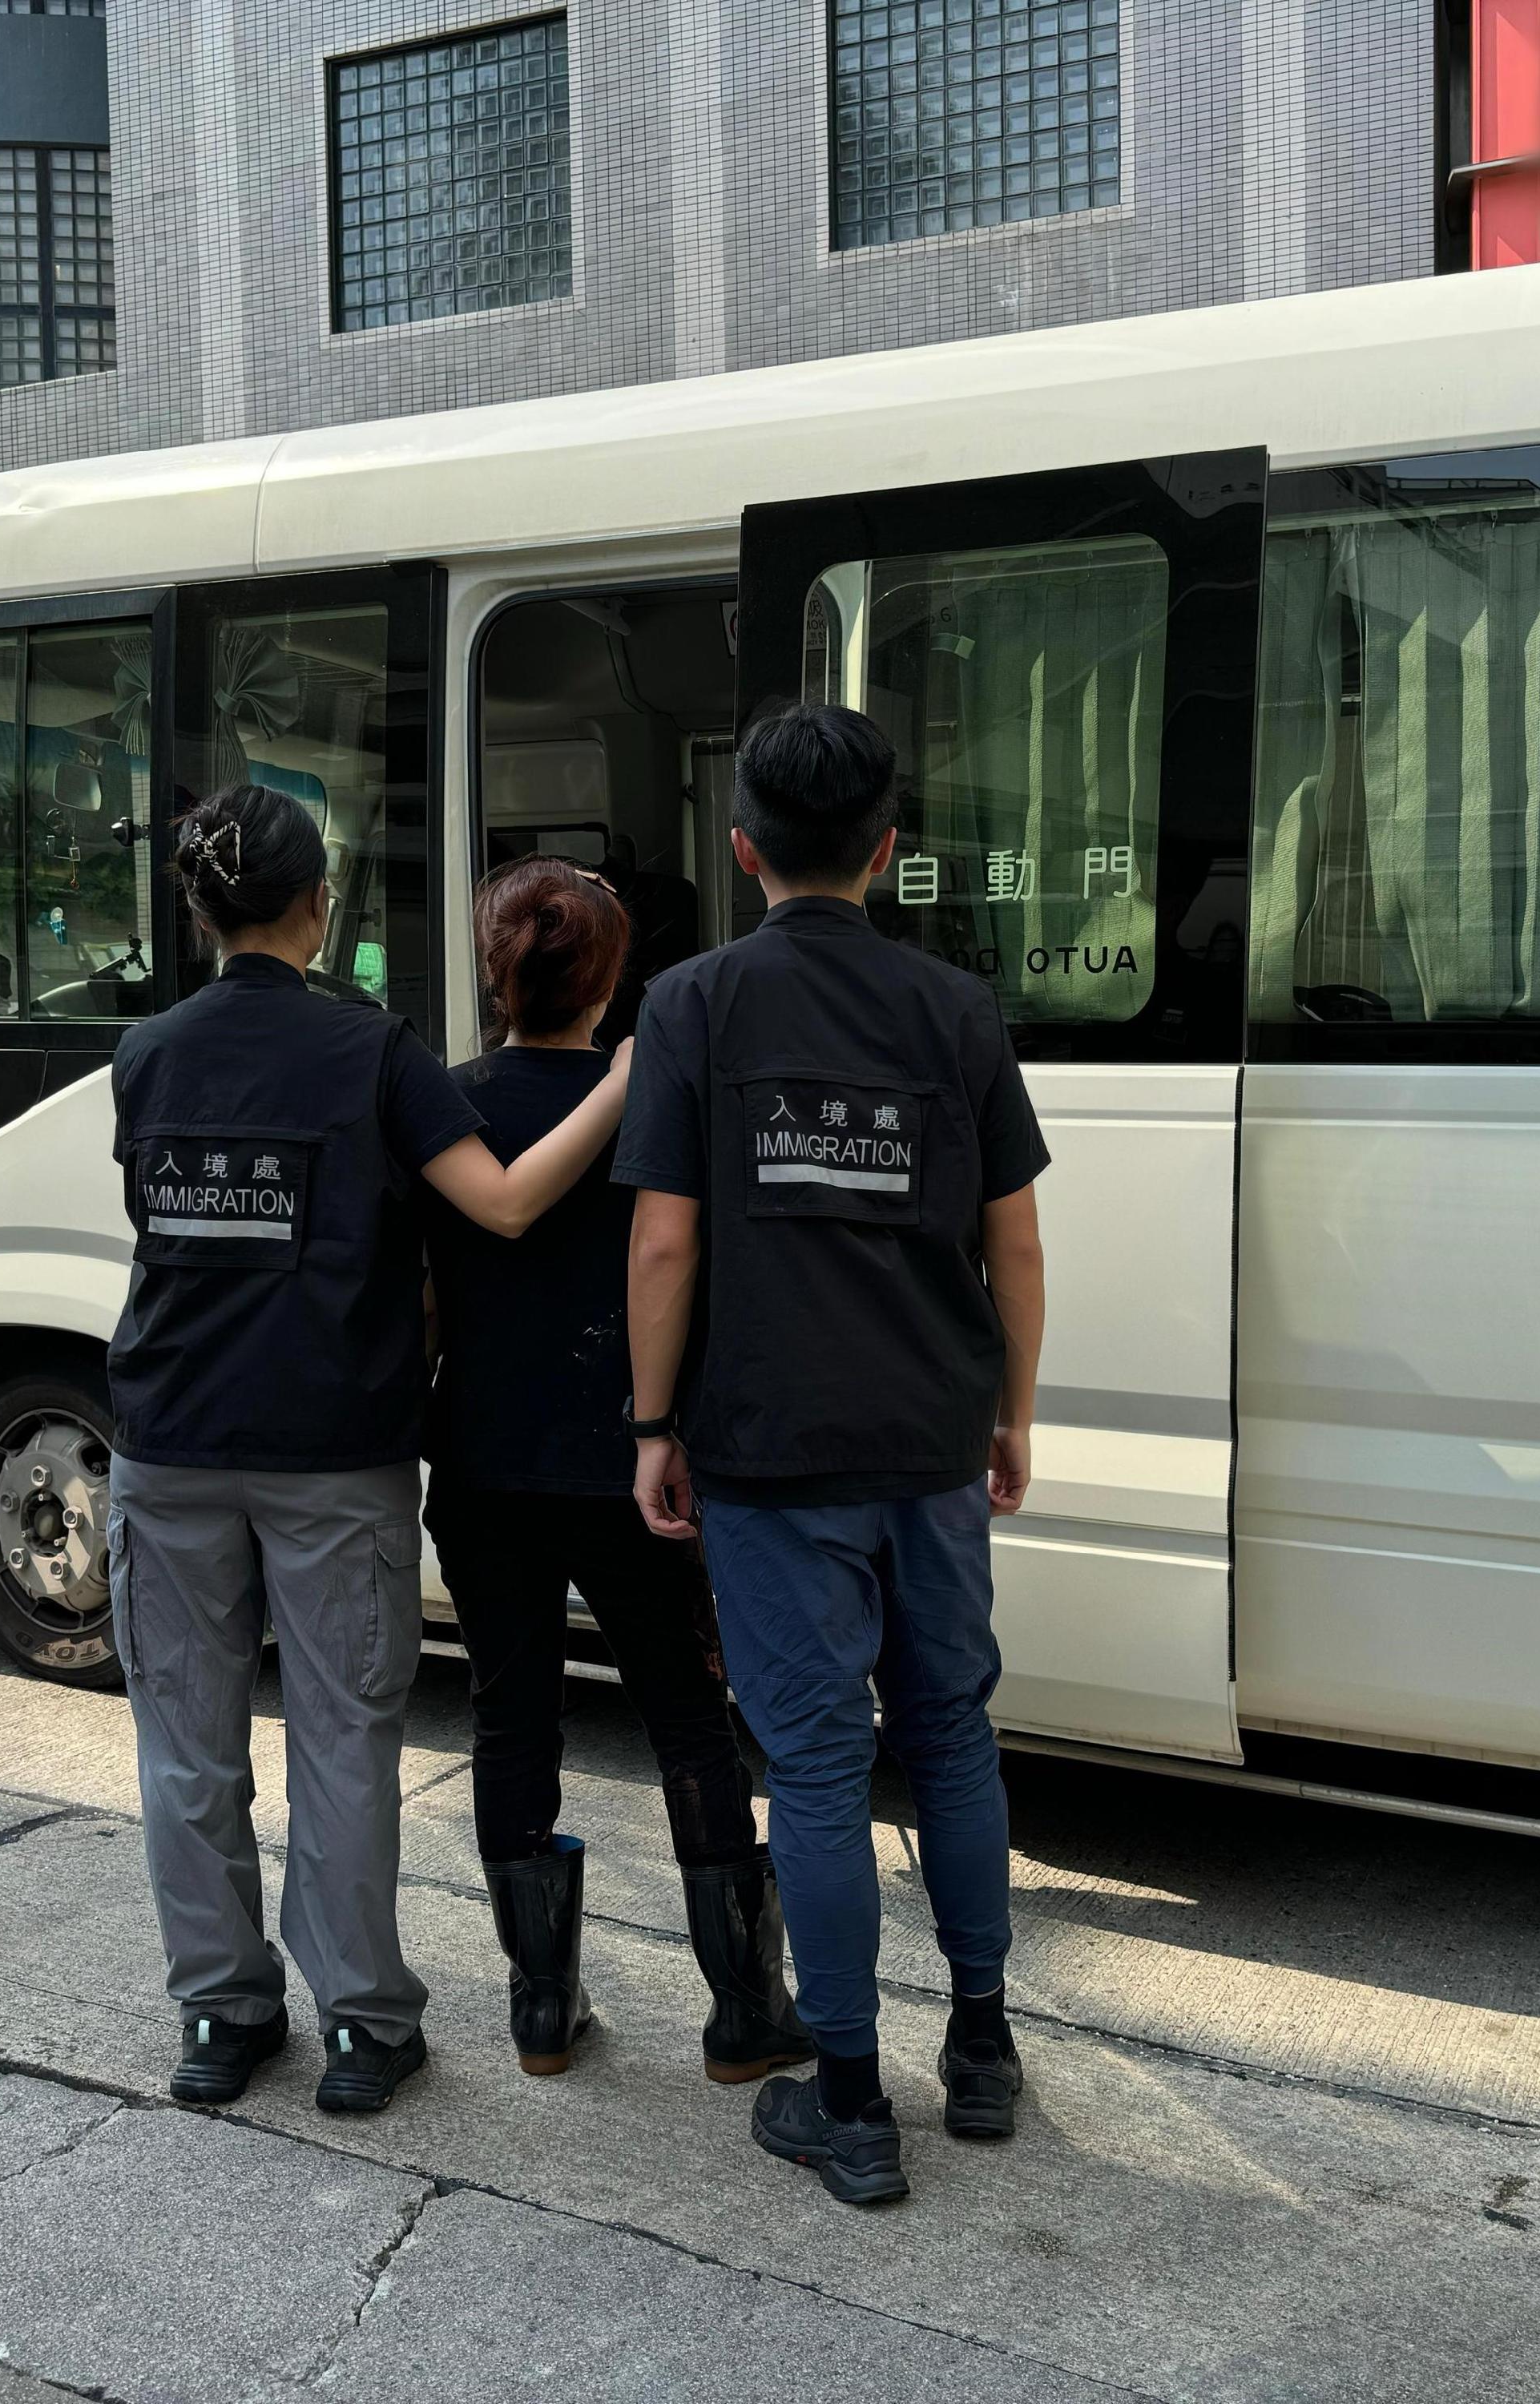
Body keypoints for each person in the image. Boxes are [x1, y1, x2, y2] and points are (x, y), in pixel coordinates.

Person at [107, 780, 630, 2116]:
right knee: (342, 1739)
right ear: (319, 906)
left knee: (185, 1743)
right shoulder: (373, 1052)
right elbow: (503, 1205)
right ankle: (360, 2028)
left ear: (198, 910)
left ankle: (221, 2020)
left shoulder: (148, 1052)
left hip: (165, 1440)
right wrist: (627, 1077)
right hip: (332, 1451)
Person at [613, 700, 1050, 2208]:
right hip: (931, 1437)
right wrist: (1013, 1414)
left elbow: (664, 1238)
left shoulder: (693, 1004)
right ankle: (983, 2050)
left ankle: (850, 2104)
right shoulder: (957, 1014)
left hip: (770, 1448)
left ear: (745, 852)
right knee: (953, 1737)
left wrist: (655, 1424)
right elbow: (1016, 1237)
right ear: (888, 852)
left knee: (814, 1768)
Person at [421, 855, 815, 2082]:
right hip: (630, 1460)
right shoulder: (658, 1095)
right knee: (691, 1722)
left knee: (509, 1716)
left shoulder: (443, 1102)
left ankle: (542, 2010)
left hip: (482, 1462)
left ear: (497, 970)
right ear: (609, 978)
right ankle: (746, 2014)